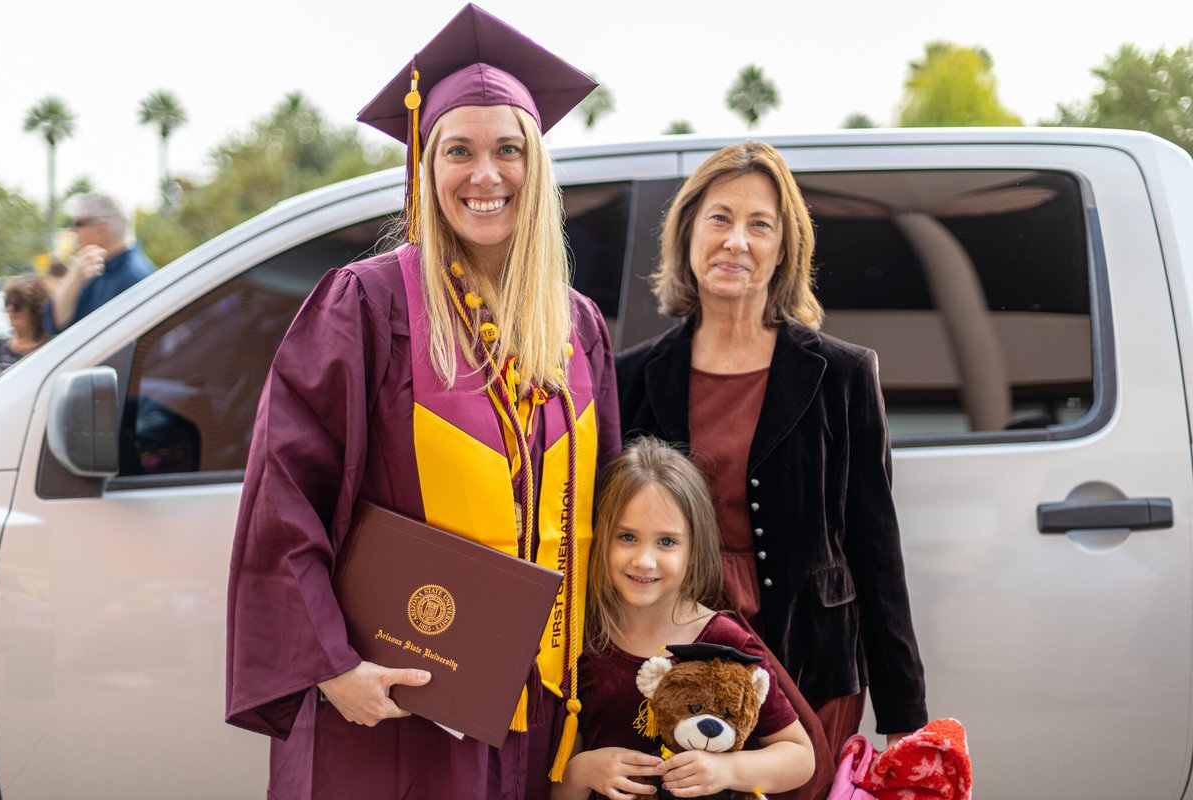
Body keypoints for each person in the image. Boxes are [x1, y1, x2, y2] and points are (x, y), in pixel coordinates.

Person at [225, 5, 620, 798]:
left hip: (542, 711)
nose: (486, 175)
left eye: (509, 150)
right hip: (396, 707)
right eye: (459, 151)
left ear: (536, 170)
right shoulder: (368, 306)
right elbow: (283, 495)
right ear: (424, 166)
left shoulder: (575, 326)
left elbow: (603, 506)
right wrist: (332, 667)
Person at [615, 142, 928, 766]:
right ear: (687, 234)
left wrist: (904, 715)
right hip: (673, 657)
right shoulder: (630, 377)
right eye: (720, 219)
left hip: (812, 658)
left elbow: (876, 550)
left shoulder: (842, 375)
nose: (737, 241)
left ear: (785, 249)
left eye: (760, 225)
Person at [554, 437, 815, 800]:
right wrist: (580, 772)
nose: (644, 560)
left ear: (694, 549)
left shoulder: (726, 642)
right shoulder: (581, 641)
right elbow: (562, 786)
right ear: (600, 537)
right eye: (627, 536)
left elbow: (800, 757)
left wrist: (727, 770)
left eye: (666, 542)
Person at [45, 192, 155, 333]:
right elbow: (55, 322)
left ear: (102, 230)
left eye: (78, 223)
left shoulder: (134, 277)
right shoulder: (100, 269)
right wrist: (75, 277)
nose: (72, 230)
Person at [0, 274, 51, 373]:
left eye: (17, 305)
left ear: (35, 309)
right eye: (7, 302)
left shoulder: (51, 348)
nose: (10, 309)